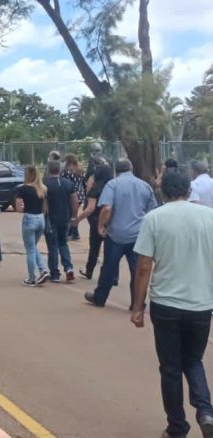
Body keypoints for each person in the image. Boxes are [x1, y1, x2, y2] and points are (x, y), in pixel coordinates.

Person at [131, 171, 213, 438]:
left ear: (163, 192)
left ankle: (177, 427)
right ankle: (205, 410)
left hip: (166, 304)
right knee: (193, 360)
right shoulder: (209, 217)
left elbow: (144, 266)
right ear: (188, 191)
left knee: (170, 368)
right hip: (201, 303)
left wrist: (137, 306)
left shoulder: (154, 218)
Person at [85, 159, 157, 308]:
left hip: (116, 234)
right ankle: (137, 302)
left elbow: (106, 209)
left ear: (116, 171)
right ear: (131, 168)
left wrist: (101, 225)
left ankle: (100, 297)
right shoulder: (144, 186)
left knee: (109, 268)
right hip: (137, 235)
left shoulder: (113, 184)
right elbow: (152, 211)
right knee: (137, 270)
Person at [75, 165, 114, 280]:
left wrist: (78, 219)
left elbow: (90, 208)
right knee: (110, 250)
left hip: (96, 221)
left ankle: (89, 271)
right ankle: (114, 276)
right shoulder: (113, 189)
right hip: (110, 221)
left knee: (94, 249)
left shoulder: (95, 189)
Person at [14, 166, 50, 286]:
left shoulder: (23, 189)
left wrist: (26, 207)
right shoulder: (42, 189)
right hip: (40, 218)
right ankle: (43, 269)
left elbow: (18, 208)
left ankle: (32, 277)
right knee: (33, 246)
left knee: (30, 249)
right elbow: (45, 208)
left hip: (29, 218)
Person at [44, 160, 78, 283]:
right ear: (60, 170)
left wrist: (44, 216)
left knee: (52, 246)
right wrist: (74, 216)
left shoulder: (45, 184)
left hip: (51, 219)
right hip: (65, 218)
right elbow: (74, 200)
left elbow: (44, 204)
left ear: (48, 170)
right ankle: (68, 267)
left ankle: (54, 273)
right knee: (63, 243)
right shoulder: (68, 184)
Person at [62, 154, 85, 240]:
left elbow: (64, 183)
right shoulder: (80, 170)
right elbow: (84, 181)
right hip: (80, 194)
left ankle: (72, 232)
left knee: (70, 214)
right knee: (74, 213)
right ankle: (74, 232)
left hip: (71, 194)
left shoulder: (66, 171)